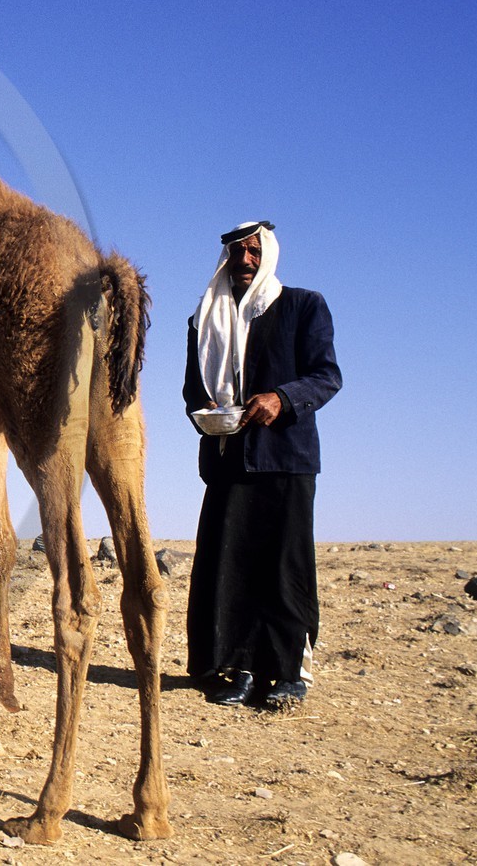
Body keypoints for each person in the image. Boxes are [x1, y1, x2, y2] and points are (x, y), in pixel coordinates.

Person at [184, 221, 341, 710]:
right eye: (238, 253)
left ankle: (291, 671)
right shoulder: (203, 320)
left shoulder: (303, 305)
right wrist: (210, 415)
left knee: (284, 566)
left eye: (254, 251)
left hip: (286, 459)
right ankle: (241, 668)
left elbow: (327, 376)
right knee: (233, 566)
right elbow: (193, 390)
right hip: (229, 460)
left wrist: (282, 398)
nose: (246, 260)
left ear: (267, 254)